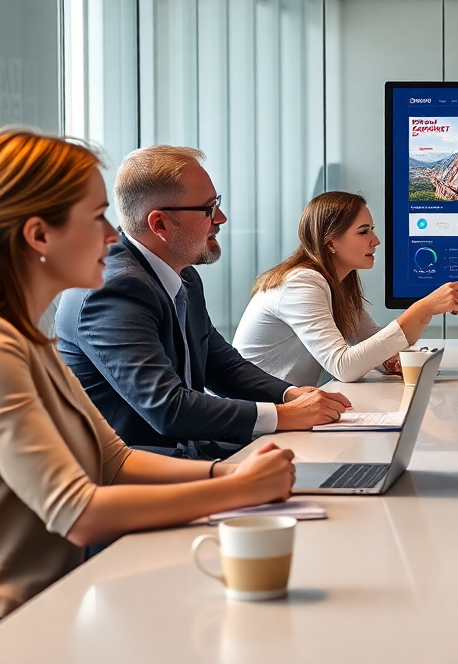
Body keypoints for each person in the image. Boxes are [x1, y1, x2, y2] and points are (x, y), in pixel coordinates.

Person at [0, 130, 296, 618]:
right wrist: (238, 490)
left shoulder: (24, 339)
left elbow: (116, 461)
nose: (112, 234)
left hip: (50, 602)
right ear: (39, 236)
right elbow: (78, 513)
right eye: (97, 216)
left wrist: (228, 472)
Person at [55, 146, 350, 459]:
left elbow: (220, 364)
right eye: (208, 209)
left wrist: (290, 395)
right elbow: (168, 408)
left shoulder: (183, 275)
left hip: (194, 456)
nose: (220, 218)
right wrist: (284, 416)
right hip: (138, 476)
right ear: (160, 225)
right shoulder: (111, 289)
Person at [233, 191, 458, 385]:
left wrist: (428, 311)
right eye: (363, 232)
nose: (376, 240)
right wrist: (422, 307)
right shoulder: (301, 284)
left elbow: (383, 348)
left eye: (372, 230)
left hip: (287, 412)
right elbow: (344, 367)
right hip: (258, 424)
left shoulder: (337, 285)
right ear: (331, 242)